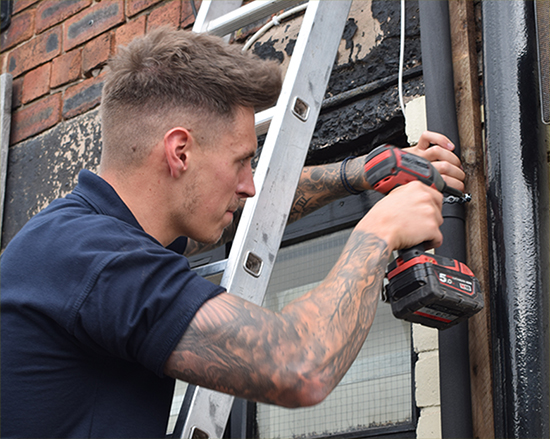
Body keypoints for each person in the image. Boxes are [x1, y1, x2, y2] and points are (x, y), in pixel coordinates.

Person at [0, 27, 465, 438]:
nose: (248, 183)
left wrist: (362, 172)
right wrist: (379, 230)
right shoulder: (100, 262)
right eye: (242, 160)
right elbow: (299, 366)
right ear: (179, 152)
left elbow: (250, 210)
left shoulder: (80, 239)